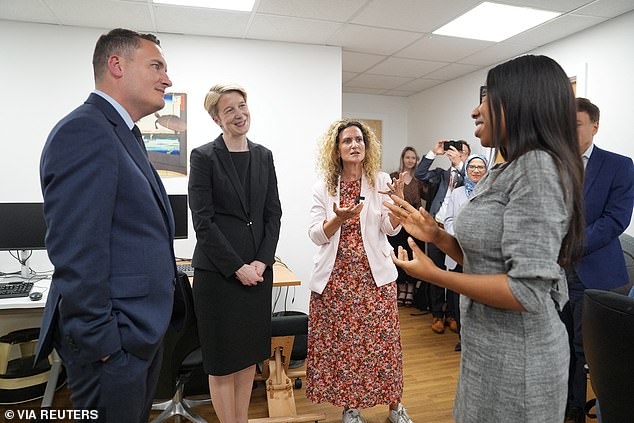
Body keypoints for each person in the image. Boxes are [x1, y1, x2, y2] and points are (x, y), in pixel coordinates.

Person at [387, 54, 585, 422]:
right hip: (487, 349)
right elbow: (490, 259)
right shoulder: (503, 171)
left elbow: (526, 290)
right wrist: (438, 236)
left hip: (521, 362)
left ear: (520, 104)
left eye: (487, 98)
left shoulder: (539, 169)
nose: (476, 111)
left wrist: (434, 275)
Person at [35, 28, 185, 422]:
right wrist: (105, 344)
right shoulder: (85, 130)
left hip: (136, 336)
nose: (167, 79)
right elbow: (77, 250)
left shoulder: (126, 136)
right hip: (114, 345)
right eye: (156, 66)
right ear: (116, 65)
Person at [306, 119, 412, 423]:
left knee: (385, 347)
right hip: (337, 281)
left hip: (373, 280)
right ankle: (351, 409)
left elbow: (390, 229)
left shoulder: (379, 182)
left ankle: (396, 408)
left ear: (367, 147)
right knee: (346, 351)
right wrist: (338, 218)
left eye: (359, 140)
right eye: (347, 141)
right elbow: (315, 234)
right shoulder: (324, 187)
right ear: (337, 150)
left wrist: (399, 198)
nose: (354, 145)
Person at [188, 83, 282, 423]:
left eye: (242, 106)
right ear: (217, 118)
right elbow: (203, 222)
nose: (239, 114)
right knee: (221, 363)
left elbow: (273, 214)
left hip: (257, 276)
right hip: (219, 277)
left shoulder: (263, 155)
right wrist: (237, 267)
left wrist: (261, 261)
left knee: (246, 360)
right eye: (229, 109)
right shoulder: (203, 157)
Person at [560, 97, 634, 423]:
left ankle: (576, 409)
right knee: (558, 346)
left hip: (594, 271)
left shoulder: (619, 165)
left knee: (583, 348)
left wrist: (572, 244)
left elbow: (616, 219)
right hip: (553, 271)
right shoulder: (554, 164)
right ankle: (561, 403)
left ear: (594, 126)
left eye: (575, 124)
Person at [414, 139, 470, 334]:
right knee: (436, 272)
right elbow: (419, 174)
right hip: (437, 229)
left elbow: (473, 182)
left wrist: (460, 165)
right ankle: (437, 315)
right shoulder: (441, 175)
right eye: (454, 152)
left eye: (462, 153)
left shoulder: (469, 176)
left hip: (457, 232)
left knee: (456, 275)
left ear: (466, 157)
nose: (457, 154)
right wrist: (433, 152)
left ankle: (453, 315)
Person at [443, 153, 489, 352]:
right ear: (467, 170)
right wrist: (460, 237)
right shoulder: (457, 193)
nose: (476, 170)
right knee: (459, 298)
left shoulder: (490, 192)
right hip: (457, 251)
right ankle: (463, 338)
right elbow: (448, 221)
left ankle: (479, 339)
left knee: (479, 299)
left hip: (481, 254)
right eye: (473, 167)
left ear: (486, 171)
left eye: (480, 167)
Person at [389, 146, 429, 306]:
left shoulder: (419, 180)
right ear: (403, 159)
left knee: (413, 255)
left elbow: (427, 195)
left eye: (413, 158)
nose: (410, 160)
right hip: (397, 221)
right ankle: (400, 289)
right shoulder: (393, 176)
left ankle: (410, 291)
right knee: (398, 254)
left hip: (414, 223)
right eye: (408, 157)